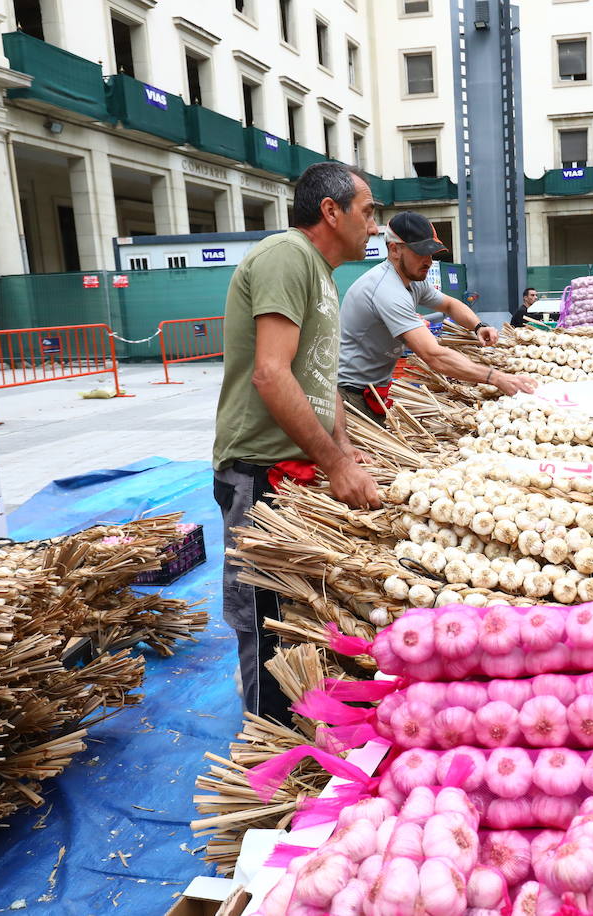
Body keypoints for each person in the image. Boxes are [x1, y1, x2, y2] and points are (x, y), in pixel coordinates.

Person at [212, 162, 380, 720]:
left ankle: (295, 727)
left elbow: (320, 377)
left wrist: (343, 446)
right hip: (259, 470)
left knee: (295, 613)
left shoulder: (324, 275)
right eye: (368, 211)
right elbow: (271, 373)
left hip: (295, 465)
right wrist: (334, 463)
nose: (375, 226)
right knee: (263, 617)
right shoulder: (286, 257)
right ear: (331, 212)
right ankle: (265, 759)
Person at [337, 212, 537, 426]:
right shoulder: (386, 289)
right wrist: (496, 378)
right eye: (421, 253)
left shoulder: (413, 279)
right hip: (350, 395)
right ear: (394, 249)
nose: (429, 261)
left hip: (375, 390)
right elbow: (434, 355)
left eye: (431, 253)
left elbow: (450, 304)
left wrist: (478, 326)